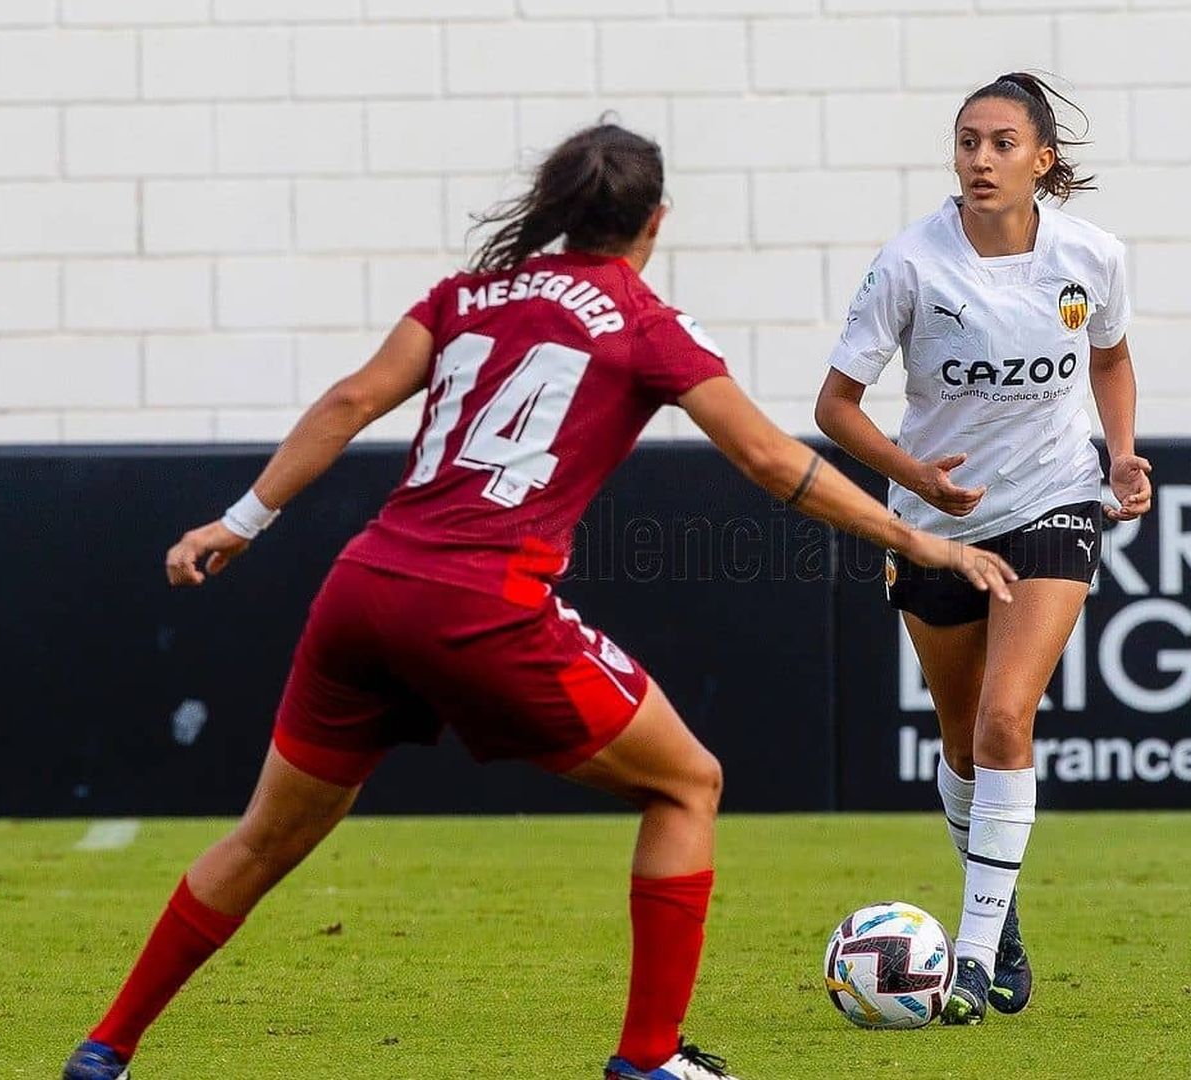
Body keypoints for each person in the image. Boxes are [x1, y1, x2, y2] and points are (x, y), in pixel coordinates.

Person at [60, 122, 1017, 1080]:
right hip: (480, 601)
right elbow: (773, 460)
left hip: (364, 588)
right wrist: (920, 537)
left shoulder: (466, 296)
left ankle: (106, 1048)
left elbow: (353, 401)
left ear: (557, 210)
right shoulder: (647, 324)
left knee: (261, 840)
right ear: (656, 220)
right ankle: (648, 1060)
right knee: (686, 784)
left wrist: (239, 521)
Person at [814, 73, 1154, 1027]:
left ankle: (966, 960)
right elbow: (834, 407)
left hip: (1053, 500)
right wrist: (918, 481)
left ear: (1042, 160)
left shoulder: (1092, 255)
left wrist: (1120, 454)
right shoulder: (909, 265)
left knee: (1009, 719)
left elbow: (1111, 357)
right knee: (963, 741)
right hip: (936, 526)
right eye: (967, 142)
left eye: (1002, 143)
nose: (979, 159)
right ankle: (996, 923)